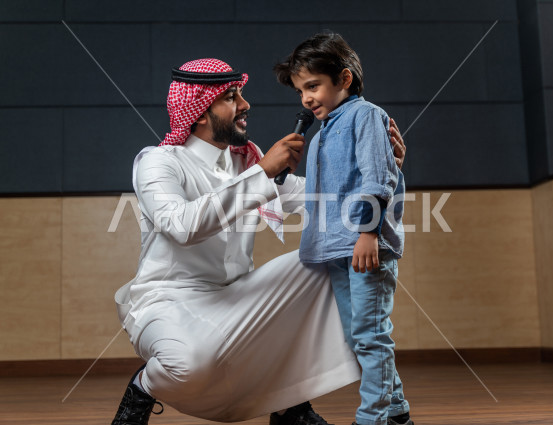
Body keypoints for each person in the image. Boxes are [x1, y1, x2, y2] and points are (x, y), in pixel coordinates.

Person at [111, 58, 407, 425]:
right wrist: (263, 172)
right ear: (201, 111)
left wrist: (384, 169)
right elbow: (180, 226)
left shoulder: (245, 163)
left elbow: (333, 204)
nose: (245, 105)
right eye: (232, 97)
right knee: (187, 365)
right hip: (168, 301)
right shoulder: (159, 162)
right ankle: (142, 389)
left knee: (329, 259)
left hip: (237, 299)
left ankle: (289, 408)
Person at [274, 33, 412, 425]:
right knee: (358, 339)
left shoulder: (365, 116)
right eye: (301, 90)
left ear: (345, 79)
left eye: (313, 85)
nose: (305, 98)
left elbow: (377, 177)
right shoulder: (319, 134)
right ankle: (398, 414)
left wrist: (368, 231)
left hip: (364, 246)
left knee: (371, 336)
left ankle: (372, 418)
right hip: (336, 249)